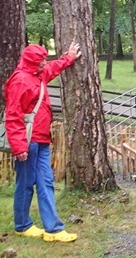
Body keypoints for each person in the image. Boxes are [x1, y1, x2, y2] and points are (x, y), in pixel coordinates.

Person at [3, 42, 81, 242]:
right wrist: (19, 146)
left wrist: (69, 58)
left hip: (42, 139)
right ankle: (23, 225)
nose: (44, 63)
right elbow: (12, 116)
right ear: (32, 63)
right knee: (26, 184)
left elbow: (52, 68)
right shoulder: (20, 81)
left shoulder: (39, 73)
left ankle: (52, 229)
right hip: (28, 142)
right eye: (41, 61)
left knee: (46, 182)